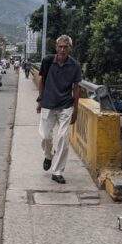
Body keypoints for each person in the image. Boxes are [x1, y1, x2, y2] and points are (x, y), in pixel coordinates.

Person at [37, 35, 82, 184]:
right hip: (48, 103)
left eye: (66, 47)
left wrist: (76, 109)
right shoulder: (48, 61)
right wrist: (40, 100)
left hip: (65, 105)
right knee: (45, 137)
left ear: (70, 48)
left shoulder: (75, 65)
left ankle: (57, 171)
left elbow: (76, 87)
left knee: (63, 137)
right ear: (56, 47)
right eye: (60, 47)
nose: (62, 50)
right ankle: (48, 155)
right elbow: (41, 80)